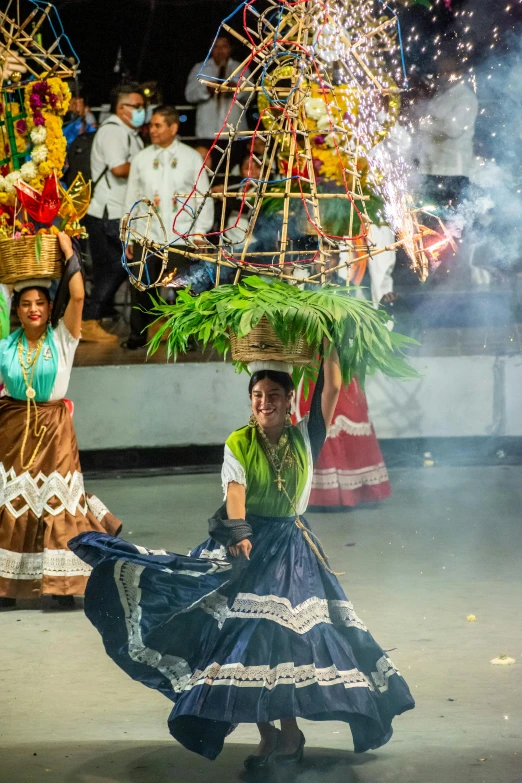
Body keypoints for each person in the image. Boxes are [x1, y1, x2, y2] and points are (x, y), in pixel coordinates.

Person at [70, 347, 414, 766]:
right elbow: (235, 492)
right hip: (248, 545)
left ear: (290, 399)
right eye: (257, 396)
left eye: (273, 395)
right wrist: (239, 531)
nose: (265, 403)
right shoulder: (239, 442)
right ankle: (271, 735)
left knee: (283, 638)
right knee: (246, 642)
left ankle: (289, 733)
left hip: (292, 548)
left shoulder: (307, 435)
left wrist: (330, 342)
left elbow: (334, 385)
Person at [0, 233, 121, 610]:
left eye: (40, 303)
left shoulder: (63, 338)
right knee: (13, 501)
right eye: (25, 304)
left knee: (57, 503)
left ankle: (61, 584)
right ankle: (5, 585)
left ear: (50, 306)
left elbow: (80, 297)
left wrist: (69, 254)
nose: (33, 309)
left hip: (55, 430)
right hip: (12, 428)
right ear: (16, 310)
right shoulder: (5, 343)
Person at [123, 105, 214, 349]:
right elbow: (132, 197)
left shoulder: (191, 157)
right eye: (151, 125)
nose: (152, 130)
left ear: (173, 128)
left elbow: (202, 197)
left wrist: (200, 233)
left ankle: (188, 338)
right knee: (141, 286)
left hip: (183, 236)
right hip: (147, 236)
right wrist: (130, 236)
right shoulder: (142, 158)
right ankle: (139, 336)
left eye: (158, 125)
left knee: (186, 289)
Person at [82, 84, 145, 342]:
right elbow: (119, 168)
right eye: (137, 106)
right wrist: (149, 163)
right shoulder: (112, 132)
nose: (143, 111)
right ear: (121, 108)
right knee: (122, 266)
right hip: (108, 211)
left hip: (122, 211)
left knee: (123, 266)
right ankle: (88, 319)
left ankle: (95, 318)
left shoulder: (131, 134)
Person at [415, 57, 478, 209]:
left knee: (448, 224)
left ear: (460, 72)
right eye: (441, 71)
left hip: (452, 170)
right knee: (427, 219)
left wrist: (424, 123)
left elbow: (453, 129)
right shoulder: (441, 94)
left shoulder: (465, 97)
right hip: (430, 167)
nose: (443, 75)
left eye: (448, 71)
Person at [185, 35, 249, 140]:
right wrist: (207, 89)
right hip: (207, 132)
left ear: (230, 48)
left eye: (224, 46)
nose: (220, 50)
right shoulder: (200, 69)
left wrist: (232, 88)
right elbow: (189, 96)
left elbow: (249, 95)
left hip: (235, 133)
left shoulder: (241, 68)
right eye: (216, 46)